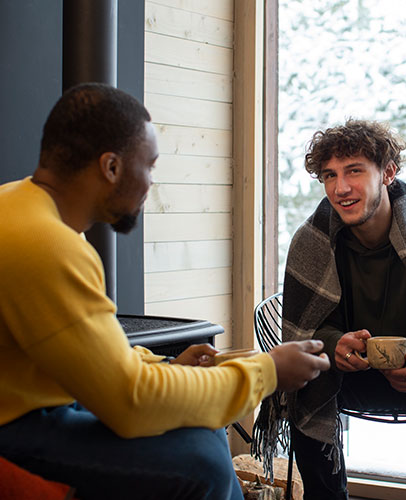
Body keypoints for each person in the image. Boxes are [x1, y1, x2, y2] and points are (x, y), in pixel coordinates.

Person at [0, 83, 331, 500]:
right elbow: (131, 403)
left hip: (28, 401)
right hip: (17, 424)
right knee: (201, 462)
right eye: (150, 166)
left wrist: (170, 367)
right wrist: (268, 372)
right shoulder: (46, 244)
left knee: (201, 431)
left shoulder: (24, 208)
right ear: (111, 167)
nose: (151, 183)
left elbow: (85, 352)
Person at [253, 119, 406, 499]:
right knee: (304, 373)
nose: (341, 188)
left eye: (354, 171)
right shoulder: (312, 241)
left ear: (388, 173)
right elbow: (305, 332)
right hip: (348, 381)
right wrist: (333, 344)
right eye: (329, 175)